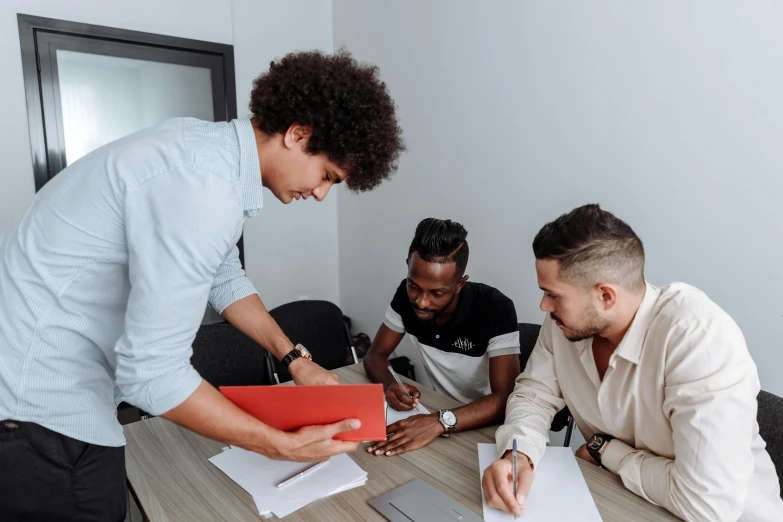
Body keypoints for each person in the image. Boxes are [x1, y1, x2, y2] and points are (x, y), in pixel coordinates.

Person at [0, 50, 404, 521]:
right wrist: (277, 444)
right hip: (40, 411)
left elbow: (223, 275)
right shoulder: (204, 186)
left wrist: (294, 359)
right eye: (327, 176)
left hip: (50, 391)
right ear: (298, 134)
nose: (320, 193)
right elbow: (150, 373)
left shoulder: (204, 152)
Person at [482, 204, 783, 521]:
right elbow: (534, 396)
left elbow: (706, 504)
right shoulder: (563, 325)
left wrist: (606, 450)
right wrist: (519, 454)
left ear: (606, 297)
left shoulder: (697, 337)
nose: (544, 304)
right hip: (618, 500)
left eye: (553, 294)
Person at [363, 218, 521, 457]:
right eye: (414, 286)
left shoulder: (495, 308)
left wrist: (439, 421)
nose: (421, 302)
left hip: (488, 428)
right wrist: (391, 385)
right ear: (408, 265)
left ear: (460, 284)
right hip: (435, 412)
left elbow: (505, 400)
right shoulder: (404, 297)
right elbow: (375, 355)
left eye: (437, 293)